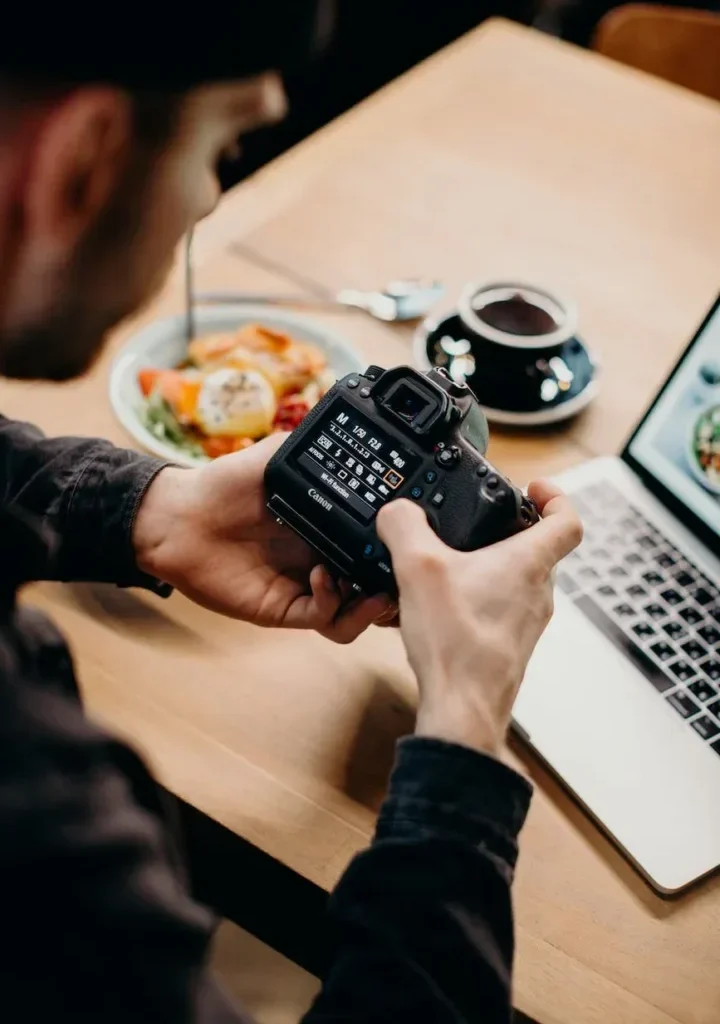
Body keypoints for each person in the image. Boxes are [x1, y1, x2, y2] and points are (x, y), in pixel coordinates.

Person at [0, 4, 582, 1022]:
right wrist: (460, 736)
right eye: (223, 147)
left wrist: (148, 507)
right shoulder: (38, 824)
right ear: (81, 160)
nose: (210, 197)